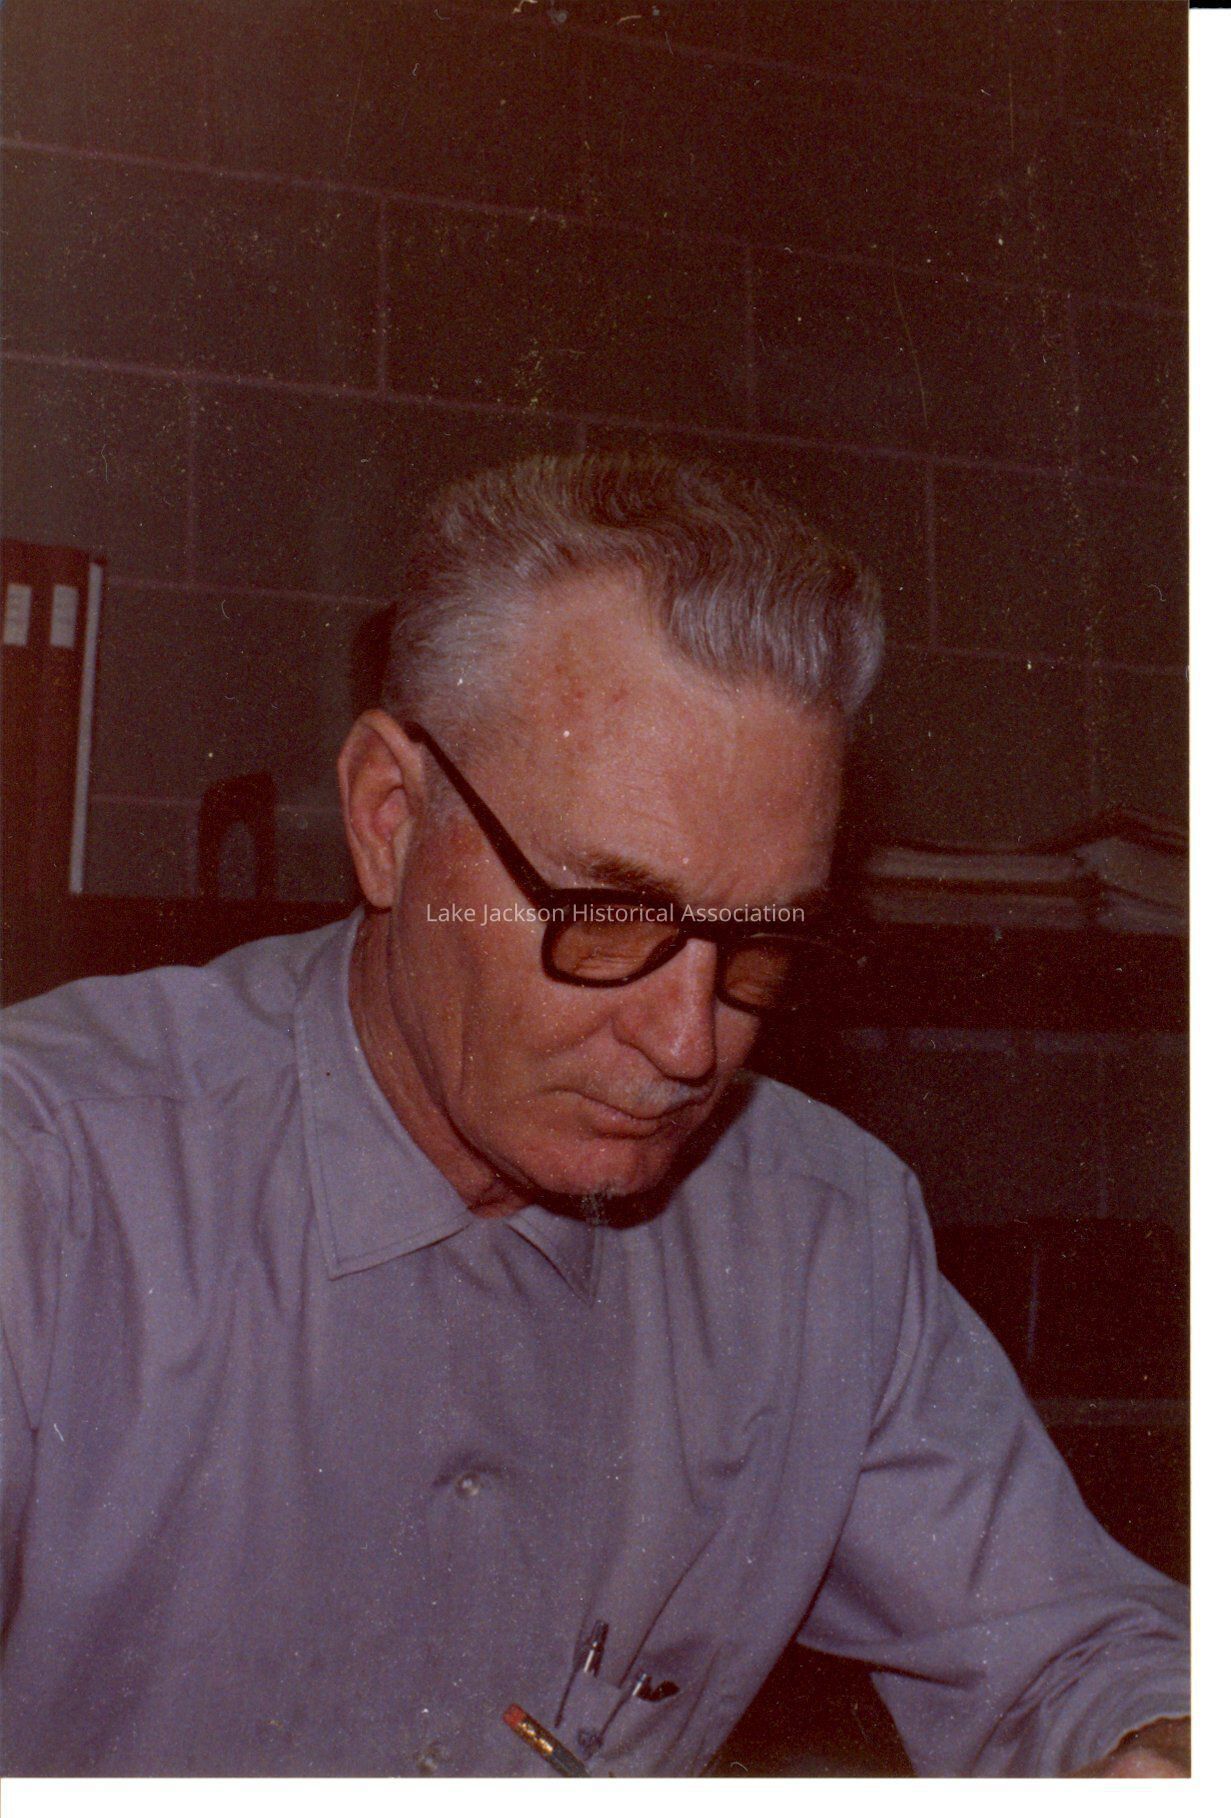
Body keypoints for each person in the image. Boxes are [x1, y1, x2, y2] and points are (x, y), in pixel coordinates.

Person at [0, 453, 1189, 1777]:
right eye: (607, 915)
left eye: (763, 941)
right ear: (390, 819)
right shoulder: (47, 1186)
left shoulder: (821, 1234)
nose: (688, 1045)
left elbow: (1072, 1651)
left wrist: (1154, 1748)